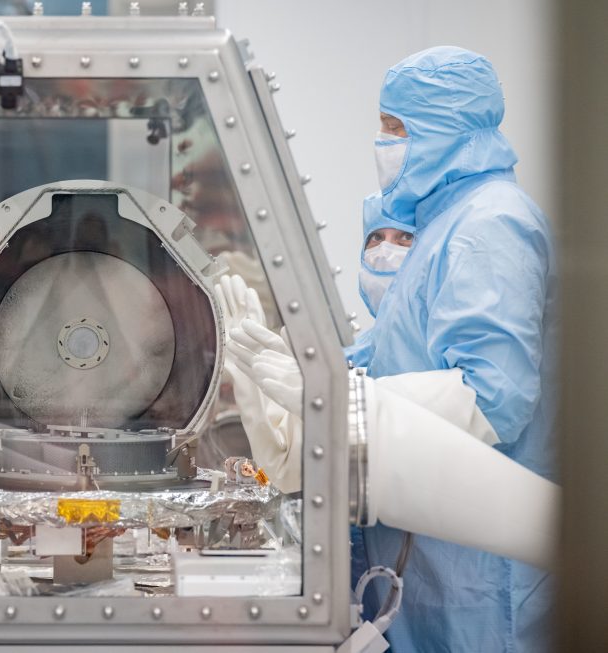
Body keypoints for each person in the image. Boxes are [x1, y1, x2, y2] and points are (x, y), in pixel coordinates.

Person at [238, 46, 555, 652]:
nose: (382, 143)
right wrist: (297, 402)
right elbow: (391, 361)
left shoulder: (490, 226)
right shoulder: (445, 227)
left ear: (445, 129)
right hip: (432, 567)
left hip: (476, 578)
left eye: (396, 129)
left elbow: (493, 398)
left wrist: (343, 407)